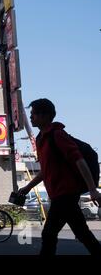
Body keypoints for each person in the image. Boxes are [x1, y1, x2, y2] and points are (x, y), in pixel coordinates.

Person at [18, 98, 101, 256]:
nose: (31, 117)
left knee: (49, 234)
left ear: (44, 116)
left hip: (65, 194)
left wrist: (93, 189)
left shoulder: (57, 135)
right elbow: (45, 170)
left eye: (33, 114)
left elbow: (79, 160)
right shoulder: (41, 139)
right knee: (82, 233)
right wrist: (28, 187)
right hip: (58, 194)